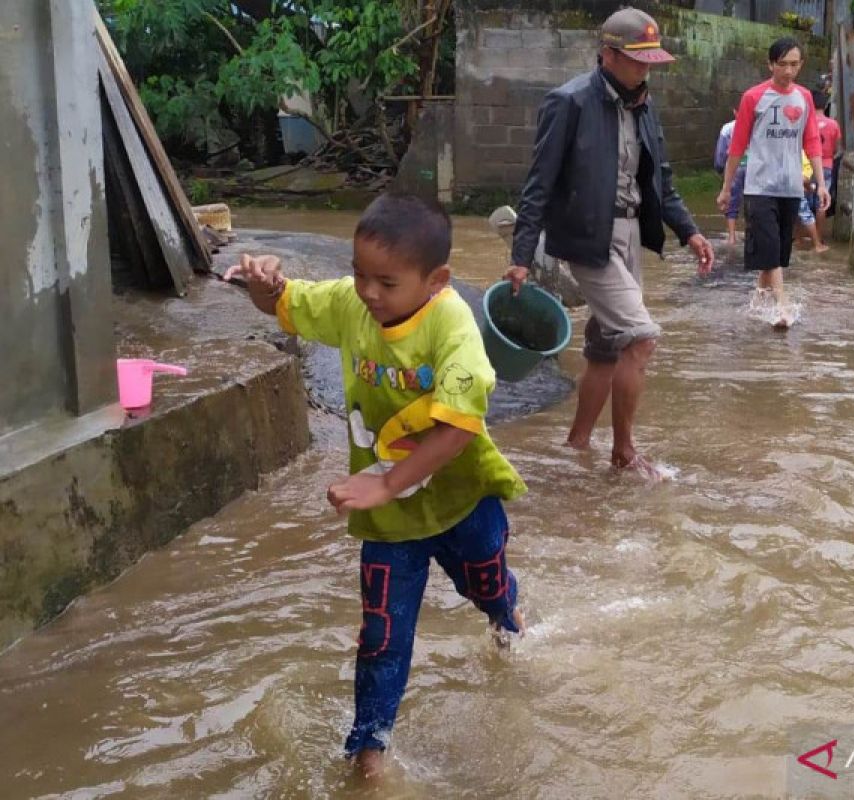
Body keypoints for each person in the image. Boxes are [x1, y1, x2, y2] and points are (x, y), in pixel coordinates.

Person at [224, 193, 528, 779]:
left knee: (489, 591)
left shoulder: (452, 322)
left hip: (463, 499)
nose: (368, 292)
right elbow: (285, 304)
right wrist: (264, 282)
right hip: (390, 523)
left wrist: (387, 482)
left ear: (436, 280)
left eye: (386, 282)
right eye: (360, 274)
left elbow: (458, 429)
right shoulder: (352, 305)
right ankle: (370, 749)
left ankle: (508, 621)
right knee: (382, 634)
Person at [505, 8, 714, 476]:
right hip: (588, 238)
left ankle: (578, 441)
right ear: (608, 54)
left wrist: (690, 230)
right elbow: (538, 183)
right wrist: (521, 256)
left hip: (631, 233)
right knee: (641, 338)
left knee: (606, 347)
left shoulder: (644, 105)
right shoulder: (570, 102)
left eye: (650, 62)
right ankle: (624, 451)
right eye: (637, 61)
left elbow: (660, 180)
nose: (645, 70)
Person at [717, 36, 829, 329]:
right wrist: (727, 188)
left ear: (801, 64)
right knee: (769, 248)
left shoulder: (804, 97)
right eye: (783, 64)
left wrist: (821, 183)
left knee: (776, 253)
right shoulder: (753, 98)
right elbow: (737, 146)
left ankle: (756, 303)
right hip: (759, 187)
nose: (789, 71)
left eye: (795, 64)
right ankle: (782, 307)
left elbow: (812, 143)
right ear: (770, 64)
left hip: (791, 186)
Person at [812, 89, 841, 241]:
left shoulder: (806, 123)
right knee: (821, 202)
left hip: (807, 165)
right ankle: (819, 236)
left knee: (801, 200)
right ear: (825, 106)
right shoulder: (833, 124)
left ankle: (799, 236)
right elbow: (836, 147)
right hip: (827, 165)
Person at [714, 111, 747, 244]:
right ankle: (751, 232)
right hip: (754, 168)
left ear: (734, 111)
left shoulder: (728, 128)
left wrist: (720, 168)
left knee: (731, 202)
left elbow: (721, 153)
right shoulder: (756, 127)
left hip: (734, 168)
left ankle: (732, 236)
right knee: (752, 201)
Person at [795, 149, 827, 253]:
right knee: (806, 216)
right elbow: (803, 178)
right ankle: (817, 244)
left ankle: (798, 239)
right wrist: (809, 187)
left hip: (787, 187)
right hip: (797, 187)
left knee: (796, 214)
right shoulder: (805, 155)